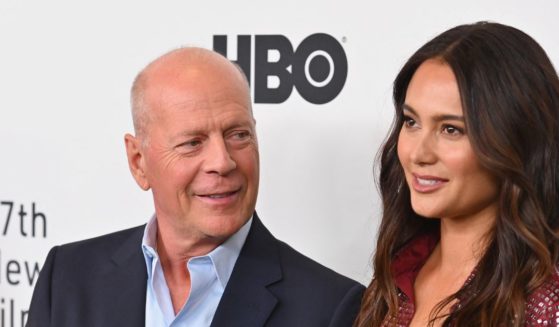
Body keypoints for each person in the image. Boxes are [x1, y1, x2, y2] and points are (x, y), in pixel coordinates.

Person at [26, 47, 364, 327]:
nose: (223, 161)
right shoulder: (68, 278)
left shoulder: (331, 309)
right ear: (138, 162)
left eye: (238, 134)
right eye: (192, 142)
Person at [354, 22, 559, 326]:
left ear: (517, 140)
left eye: (451, 129)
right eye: (411, 122)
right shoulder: (395, 279)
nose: (418, 154)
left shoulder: (548, 301)